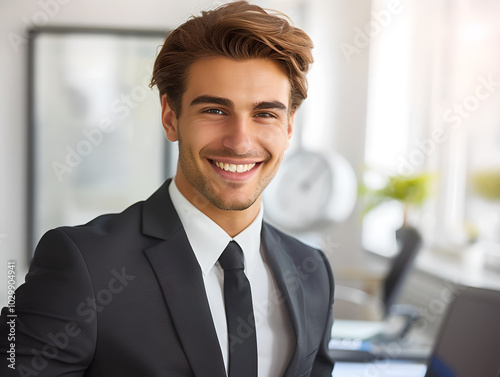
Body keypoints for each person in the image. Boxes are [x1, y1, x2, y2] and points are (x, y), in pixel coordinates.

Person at [0, 1, 334, 376]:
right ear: (171, 119)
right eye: (215, 111)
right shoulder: (83, 266)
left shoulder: (311, 270)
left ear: (289, 128)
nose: (240, 142)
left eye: (265, 113)